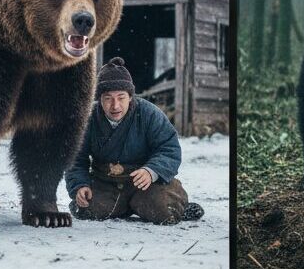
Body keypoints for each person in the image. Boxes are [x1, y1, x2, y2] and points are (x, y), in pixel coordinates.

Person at [66, 57, 203, 225]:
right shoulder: (88, 118)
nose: (115, 105)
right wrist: (80, 185)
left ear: (130, 96)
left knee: (163, 210)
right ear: (99, 98)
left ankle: (180, 206)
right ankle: (126, 206)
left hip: (145, 183)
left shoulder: (149, 114)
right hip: (106, 182)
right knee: (87, 209)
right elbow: (75, 158)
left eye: (121, 97)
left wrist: (151, 171)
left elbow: (169, 148)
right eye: (108, 98)